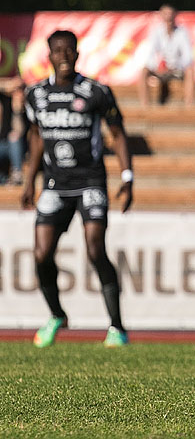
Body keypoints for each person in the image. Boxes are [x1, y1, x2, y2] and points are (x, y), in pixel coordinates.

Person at [21, 30, 133, 348]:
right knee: (41, 253)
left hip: (90, 181)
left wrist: (127, 177)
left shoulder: (95, 91)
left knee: (95, 248)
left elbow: (118, 134)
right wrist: (30, 179)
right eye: (57, 51)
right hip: (55, 184)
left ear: (77, 54)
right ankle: (57, 314)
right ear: (50, 57)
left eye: (69, 50)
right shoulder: (36, 95)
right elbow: (36, 135)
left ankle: (116, 327)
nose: (64, 56)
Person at [138, 4, 195, 107]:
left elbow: (188, 56)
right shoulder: (156, 31)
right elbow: (149, 53)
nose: (168, 17)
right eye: (165, 14)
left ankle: (189, 106)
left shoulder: (182, 32)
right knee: (144, 71)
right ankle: (145, 106)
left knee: (190, 70)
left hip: (176, 69)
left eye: (170, 14)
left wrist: (176, 66)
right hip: (160, 69)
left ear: (175, 15)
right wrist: (157, 67)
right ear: (161, 15)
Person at [0, 76, 26, 185]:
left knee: (14, 138)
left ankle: (17, 174)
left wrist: (17, 111)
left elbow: (19, 131)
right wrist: (9, 84)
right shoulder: (2, 99)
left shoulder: (19, 104)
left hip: (11, 147)